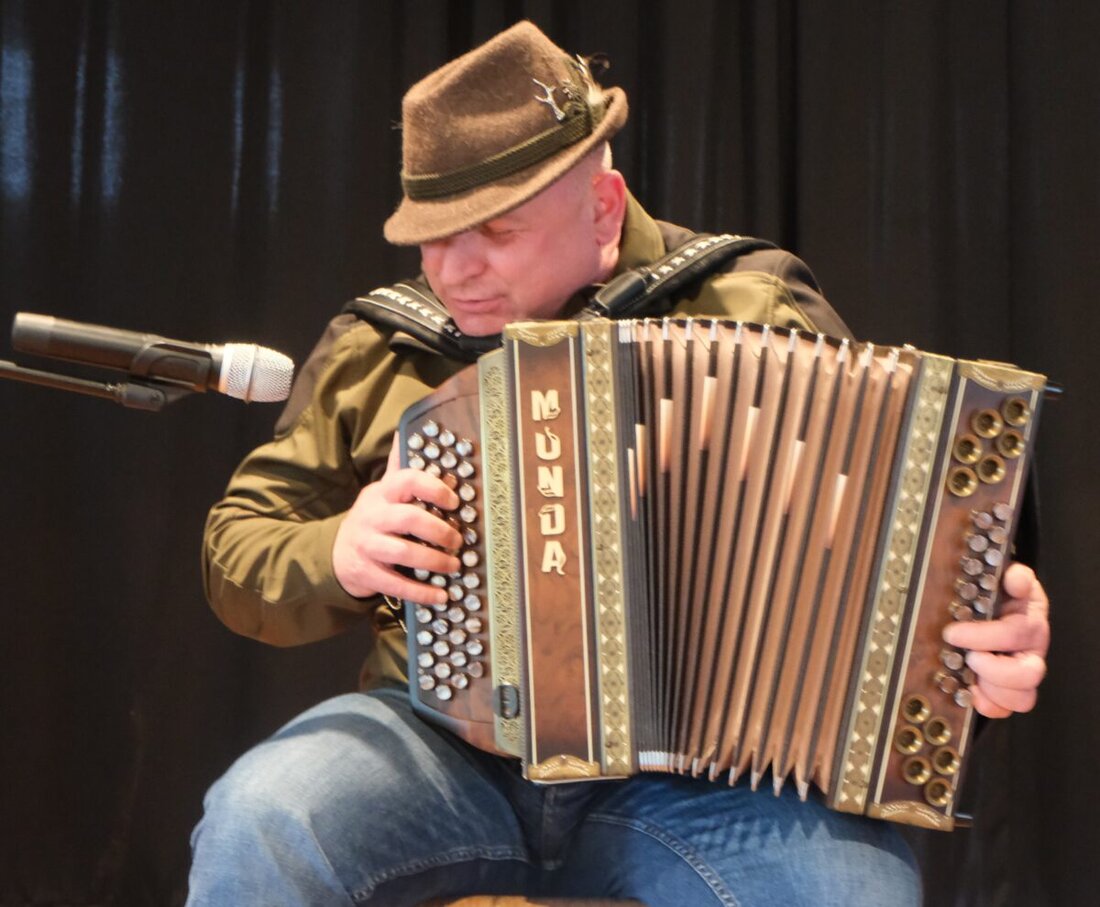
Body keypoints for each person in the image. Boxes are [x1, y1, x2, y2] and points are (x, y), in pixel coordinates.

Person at [187, 21, 1051, 907]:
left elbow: (891, 524)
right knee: (261, 820)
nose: (453, 271)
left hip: (708, 782)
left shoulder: (744, 300)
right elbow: (237, 549)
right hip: (442, 749)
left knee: (849, 894)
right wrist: (339, 551)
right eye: (430, 237)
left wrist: (980, 621)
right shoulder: (381, 341)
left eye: (495, 231)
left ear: (603, 205)